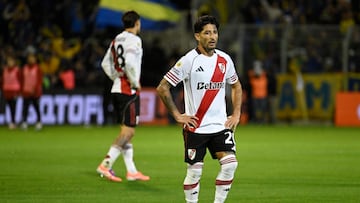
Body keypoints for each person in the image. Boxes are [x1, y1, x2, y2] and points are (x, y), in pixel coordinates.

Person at [156, 15, 242, 203]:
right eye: (207, 33)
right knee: (195, 172)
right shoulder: (188, 61)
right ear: (197, 36)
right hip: (197, 127)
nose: (212, 36)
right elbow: (162, 88)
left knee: (230, 165)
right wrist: (178, 115)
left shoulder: (225, 59)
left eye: (215, 32)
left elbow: (236, 85)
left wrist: (236, 113)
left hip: (220, 126)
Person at [96, 10, 149, 182]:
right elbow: (130, 63)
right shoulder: (135, 40)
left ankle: (132, 171)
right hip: (128, 90)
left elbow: (105, 63)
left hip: (117, 87)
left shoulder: (116, 39)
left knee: (126, 131)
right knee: (128, 131)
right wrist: (133, 81)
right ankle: (106, 164)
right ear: (137, 23)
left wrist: (116, 77)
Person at [20, 53, 43, 130]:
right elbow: (22, 80)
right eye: (30, 58)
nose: (31, 59)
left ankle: (39, 122)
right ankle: (24, 122)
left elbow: (39, 80)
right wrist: (21, 90)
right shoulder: (24, 68)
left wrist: (35, 89)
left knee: (36, 107)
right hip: (26, 91)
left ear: (35, 59)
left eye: (32, 58)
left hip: (35, 92)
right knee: (25, 108)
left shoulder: (37, 68)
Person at [1, 55, 21, 129]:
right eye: (9, 61)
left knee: (13, 108)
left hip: (14, 91)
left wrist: (19, 91)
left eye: (11, 61)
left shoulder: (17, 70)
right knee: (5, 107)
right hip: (6, 91)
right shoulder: (5, 70)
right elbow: (3, 80)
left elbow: (20, 80)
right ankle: (6, 121)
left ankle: (13, 122)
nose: (10, 62)